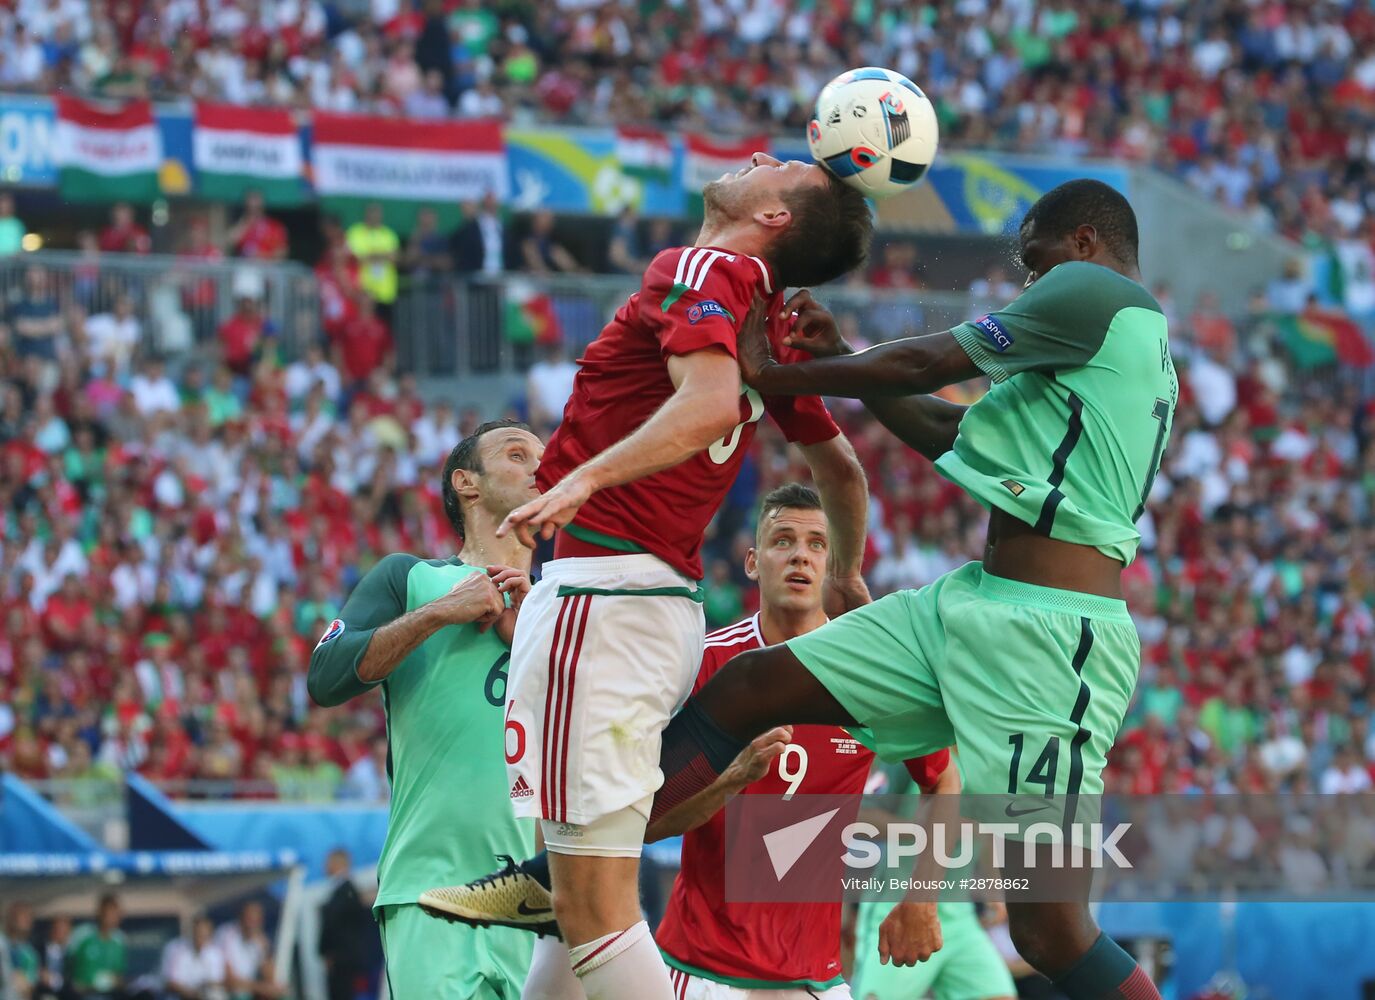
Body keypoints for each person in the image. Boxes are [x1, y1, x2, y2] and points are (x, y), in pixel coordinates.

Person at [638, 179, 1172, 999]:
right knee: (745, 687)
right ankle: (564, 870)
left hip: (1048, 646)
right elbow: (943, 425)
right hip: (966, 608)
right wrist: (831, 354)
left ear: (1088, 241)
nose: (1031, 284)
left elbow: (929, 359)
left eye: (1038, 261)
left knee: (1048, 927)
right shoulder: (1087, 360)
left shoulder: (1096, 294)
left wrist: (769, 373)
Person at [421, 151, 874, 1000]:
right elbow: (840, 471)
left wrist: (584, 477)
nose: (757, 157)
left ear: (773, 216)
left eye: (776, 164)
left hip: (602, 599)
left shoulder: (705, 265)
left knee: (593, 911)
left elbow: (705, 404)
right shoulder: (765, 318)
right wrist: (847, 573)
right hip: (655, 605)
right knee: (572, 889)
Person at [655, 484, 951, 999]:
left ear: (832, 565)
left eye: (817, 544)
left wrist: (921, 898)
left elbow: (945, 781)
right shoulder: (706, 666)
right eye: (783, 540)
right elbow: (651, 820)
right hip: (700, 972)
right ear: (752, 561)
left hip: (815, 978)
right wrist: (730, 779)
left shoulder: (869, 673)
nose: (800, 556)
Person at [308, 420, 546, 998]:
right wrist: (439, 612)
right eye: (518, 455)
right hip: (431, 888)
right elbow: (325, 676)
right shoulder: (411, 577)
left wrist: (533, 647)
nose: (542, 467)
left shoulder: (564, 606)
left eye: (548, 457)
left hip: (542, 901)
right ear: (467, 483)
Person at [850, 754, 1017, 1000]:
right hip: (898, 907)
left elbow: (985, 825)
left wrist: (994, 885)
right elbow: (860, 817)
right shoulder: (914, 747)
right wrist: (933, 827)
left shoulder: (987, 750)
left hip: (960, 916)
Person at [316, 850, 369, 1000]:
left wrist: (328, 952)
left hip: (344, 963)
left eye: (328, 862)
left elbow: (335, 927)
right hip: (342, 961)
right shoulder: (339, 892)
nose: (325, 867)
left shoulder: (346, 893)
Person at [215, 902, 283, 1000]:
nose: (252, 924)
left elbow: (271, 977)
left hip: (248, 989)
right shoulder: (226, 935)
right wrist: (261, 988)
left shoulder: (258, 941)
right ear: (240, 918)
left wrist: (266, 950)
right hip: (228, 991)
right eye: (249, 919)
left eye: (256, 920)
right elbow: (229, 981)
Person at [345, 204, 400, 320]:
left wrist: (371, 254)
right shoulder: (355, 232)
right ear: (366, 215)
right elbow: (357, 258)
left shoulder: (389, 234)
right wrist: (383, 254)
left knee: (384, 329)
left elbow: (395, 258)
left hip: (386, 293)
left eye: (377, 214)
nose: (374, 217)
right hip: (363, 293)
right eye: (372, 213)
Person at [67, 894, 126, 999]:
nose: (114, 917)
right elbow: (68, 964)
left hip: (109, 995)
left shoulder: (119, 941)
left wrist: (115, 982)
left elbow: (119, 974)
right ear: (100, 912)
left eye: (117, 913)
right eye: (110, 913)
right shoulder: (82, 935)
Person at [160, 915, 227, 1000]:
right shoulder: (175, 949)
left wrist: (203, 991)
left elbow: (216, 982)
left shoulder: (215, 953)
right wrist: (194, 994)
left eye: (204, 935)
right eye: (198, 933)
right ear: (192, 932)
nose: (200, 938)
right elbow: (171, 983)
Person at [226, 191, 288, 261]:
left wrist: (261, 256)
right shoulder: (244, 224)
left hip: (267, 268)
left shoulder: (274, 226)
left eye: (256, 200)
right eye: (250, 200)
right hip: (245, 267)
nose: (253, 204)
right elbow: (229, 241)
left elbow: (281, 253)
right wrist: (245, 222)